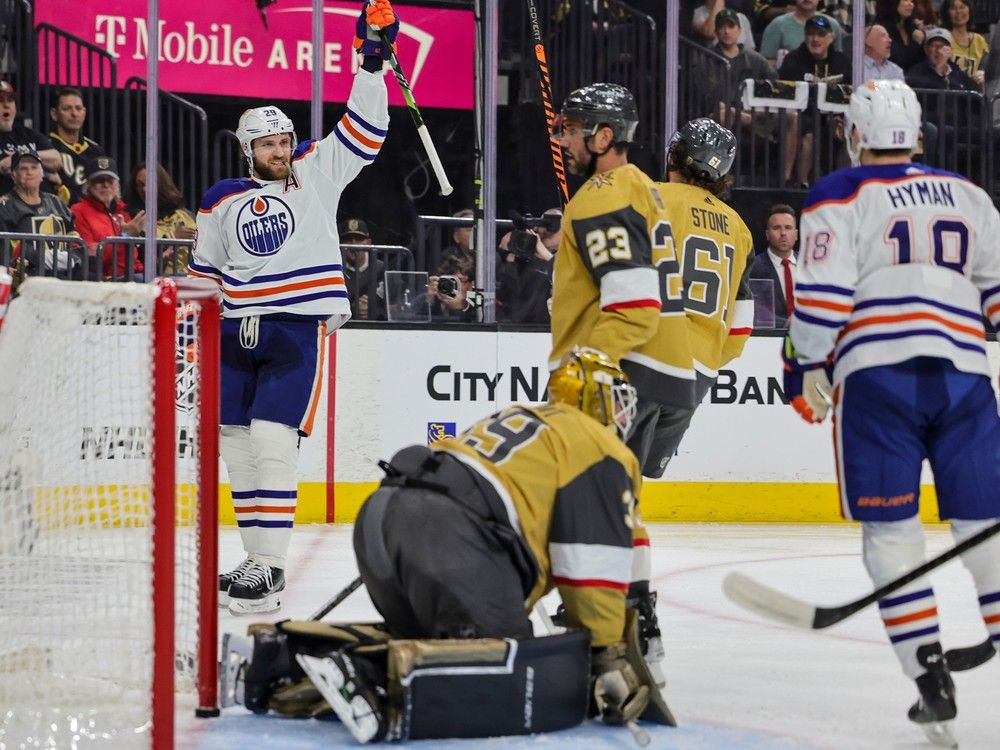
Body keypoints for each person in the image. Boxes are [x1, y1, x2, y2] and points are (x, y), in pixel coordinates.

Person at [225, 349, 676, 743]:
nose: (622, 417)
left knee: (435, 644)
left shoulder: (527, 419)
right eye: (617, 401)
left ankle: (286, 655)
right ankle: (364, 677)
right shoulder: (598, 444)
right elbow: (589, 563)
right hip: (449, 540)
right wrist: (605, 652)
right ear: (594, 399)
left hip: (383, 519)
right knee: (511, 670)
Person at [783, 79, 1000, 746]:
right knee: (986, 525)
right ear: (920, 135)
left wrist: (807, 365)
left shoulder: (838, 192)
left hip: (878, 380)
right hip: (965, 378)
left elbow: (822, 297)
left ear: (854, 135)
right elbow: (995, 294)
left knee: (891, 534)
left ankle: (927, 672)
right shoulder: (971, 195)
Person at [187, 0, 396, 615]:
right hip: (232, 332)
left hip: (294, 328)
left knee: (275, 440)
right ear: (248, 149)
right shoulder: (220, 200)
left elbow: (364, 129)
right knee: (236, 444)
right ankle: (255, 559)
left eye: (284, 141)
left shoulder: (316, 171)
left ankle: (273, 569)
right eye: (269, 144)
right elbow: (205, 275)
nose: (281, 151)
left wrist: (372, 61)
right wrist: (188, 345)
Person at [779, 15, 852, 185]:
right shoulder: (793, 60)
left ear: (830, 38)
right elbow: (789, 95)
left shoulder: (841, 61)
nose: (815, 39)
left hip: (834, 117)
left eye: (820, 34)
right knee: (810, 134)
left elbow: (849, 93)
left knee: (848, 131)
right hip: (803, 116)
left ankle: (844, 184)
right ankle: (799, 183)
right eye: (811, 34)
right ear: (805, 36)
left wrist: (838, 117)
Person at [0, 150, 83, 280]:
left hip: (65, 274)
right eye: (23, 168)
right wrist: (42, 258)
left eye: (34, 167)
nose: (29, 172)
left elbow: (74, 237)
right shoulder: (4, 206)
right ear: (13, 175)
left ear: (42, 173)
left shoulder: (57, 202)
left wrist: (72, 257)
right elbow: (7, 247)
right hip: (26, 277)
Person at [71, 157, 145, 280]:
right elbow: (91, 257)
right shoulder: (78, 211)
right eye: (99, 180)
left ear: (117, 185)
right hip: (106, 280)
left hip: (136, 274)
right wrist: (125, 236)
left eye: (110, 180)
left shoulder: (124, 211)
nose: (105, 185)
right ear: (88, 184)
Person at [123, 162, 197, 275]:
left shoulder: (186, 215)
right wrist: (173, 238)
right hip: (155, 281)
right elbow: (143, 259)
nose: (144, 189)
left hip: (190, 280)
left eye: (150, 183)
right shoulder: (136, 218)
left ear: (161, 184)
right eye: (140, 184)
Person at [0, 80, 65, 200]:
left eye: (10, 100)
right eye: (1, 100)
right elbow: (4, 166)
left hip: (39, 210)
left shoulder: (26, 133)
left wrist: (20, 156)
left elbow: (56, 160)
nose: (6, 105)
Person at [495, 207, 561, 324]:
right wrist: (510, 260)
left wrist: (543, 253)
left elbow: (570, 277)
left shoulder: (576, 256)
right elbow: (510, 298)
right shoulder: (525, 259)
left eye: (552, 224)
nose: (544, 229)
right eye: (542, 223)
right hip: (522, 328)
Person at [48, 87, 107, 205]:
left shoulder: (96, 151)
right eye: (67, 108)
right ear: (54, 114)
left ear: (84, 113)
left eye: (78, 108)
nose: (74, 113)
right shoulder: (46, 147)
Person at [748, 203, 798, 328]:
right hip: (769, 340)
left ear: (796, 234)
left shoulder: (810, 266)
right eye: (776, 228)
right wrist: (787, 324)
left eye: (788, 227)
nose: (783, 233)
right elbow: (756, 314)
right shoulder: (753, 268)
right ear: (767, 234)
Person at [760, 0, 845, 67]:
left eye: (821, 34)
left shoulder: (832, 25)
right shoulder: (777, 25)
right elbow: (766, 64)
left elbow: (839, 62)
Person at [338, 217, 386, 321]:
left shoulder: (381, 268)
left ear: (368, 242)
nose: (354, 244)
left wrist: (376, 310)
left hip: (375, 330)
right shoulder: (335, 270)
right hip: (343, 329)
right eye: (348, 239)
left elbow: (396, 305)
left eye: (359, 239)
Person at [906, 26, 980, 90]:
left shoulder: (957, 72)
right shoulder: (916, 72)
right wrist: (939, 69)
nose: (938, 50)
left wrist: (980, 84)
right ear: (926, 49)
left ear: (950, 51)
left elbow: (976, 98)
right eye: (933, 45)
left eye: (942, 46)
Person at [940, 0, 988, 85]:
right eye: (953, 8)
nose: (958, 12)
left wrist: (983, 75)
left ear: (969, 9)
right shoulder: (942, 38)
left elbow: (988, 68)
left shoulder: (979, 40)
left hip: (973, 93)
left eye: (962, 7)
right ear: (947, 13)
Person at [876, 0, 927, 71]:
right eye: (906, 0)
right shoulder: (881, 29)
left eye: (912, 1)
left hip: (915, 78)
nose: (911, 4)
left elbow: (923, 60)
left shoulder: (913, 27)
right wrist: (916, 43)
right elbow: (897, 61)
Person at [693, 0, 757, 49]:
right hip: (715, 61)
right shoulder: (698, 13)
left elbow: (750, 51)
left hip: (740, 62)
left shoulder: (740, 17)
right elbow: (710, 32)